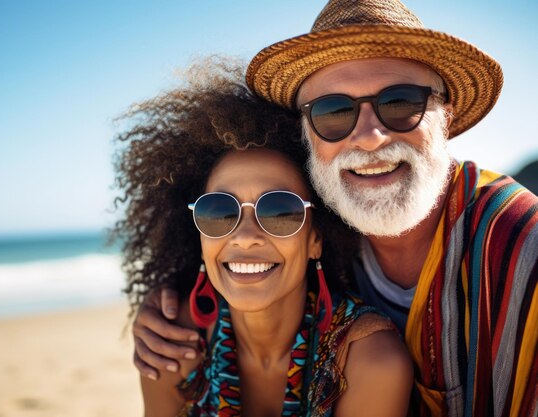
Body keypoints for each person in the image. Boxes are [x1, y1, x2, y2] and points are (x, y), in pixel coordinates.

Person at [130, 1, 538, 416]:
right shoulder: (340, 218)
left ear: (445, 117)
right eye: (334, 112)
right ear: (309, 139)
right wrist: (164, 299)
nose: (370, 137)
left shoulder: (524, 245)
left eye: (400, 103)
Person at [114, 60, 413, 416]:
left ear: (316, 238)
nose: (244, 237)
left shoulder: (371, 361)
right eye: (219, 212)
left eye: (279, 210)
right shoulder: (171, 345)